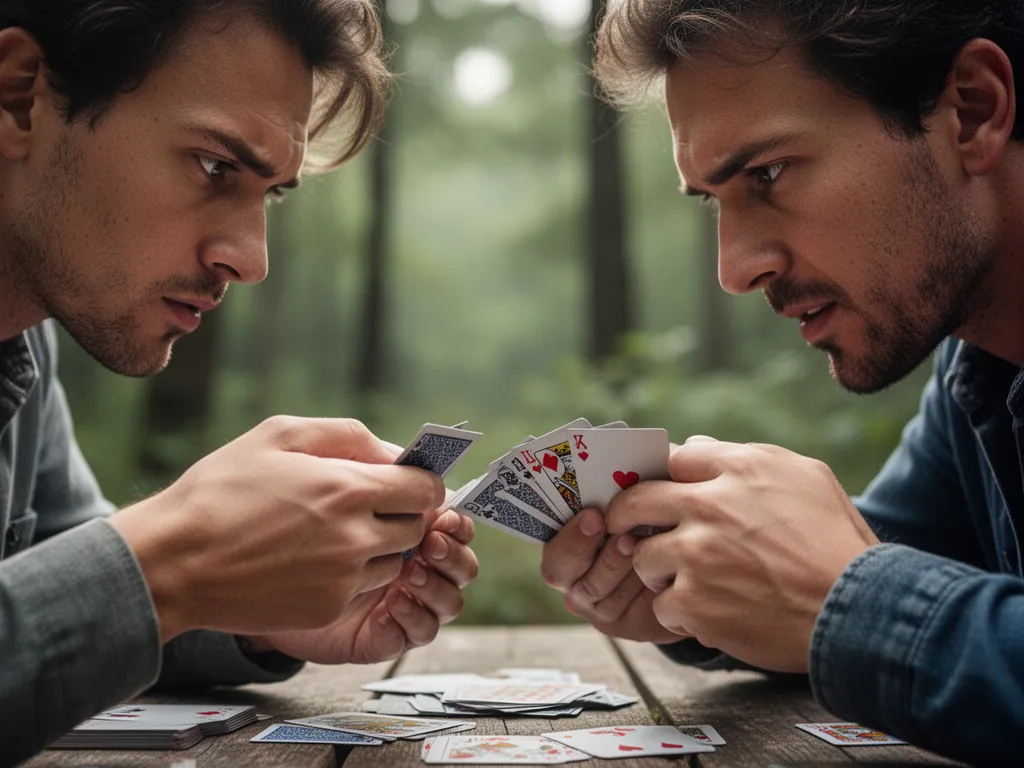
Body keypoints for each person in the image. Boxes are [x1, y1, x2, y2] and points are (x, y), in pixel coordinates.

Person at [541, 1, 1024, 763]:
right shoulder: (981, 370)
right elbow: (881, 558)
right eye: (713, 202)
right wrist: (695, 589)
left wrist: (847, 602)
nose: (735, 271)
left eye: (768, 175)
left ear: (972, 110)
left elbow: (854, 583)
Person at [0, 2, 479, 764]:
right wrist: (174, 565)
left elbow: (54, 581)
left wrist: (244, 607)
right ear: (20, 92)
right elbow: (116, 578)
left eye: (272, 193)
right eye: (214, 166)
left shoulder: (22, 346)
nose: (252, 260)